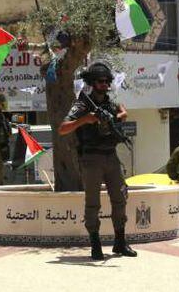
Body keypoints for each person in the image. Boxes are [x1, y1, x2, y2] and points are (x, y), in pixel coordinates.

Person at [58, 62, 137, 260]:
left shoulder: (111, 103)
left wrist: (121, 115)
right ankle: (95, 244)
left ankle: (120, 242)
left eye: (108, 81)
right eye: (101, 81)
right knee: (92, 203)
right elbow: (63, 128)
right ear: (93, 83)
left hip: (111, 156)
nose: (105, 84)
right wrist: (85, 120)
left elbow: (122, 111)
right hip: (91, 159)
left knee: (120, 198)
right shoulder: (82, 104)